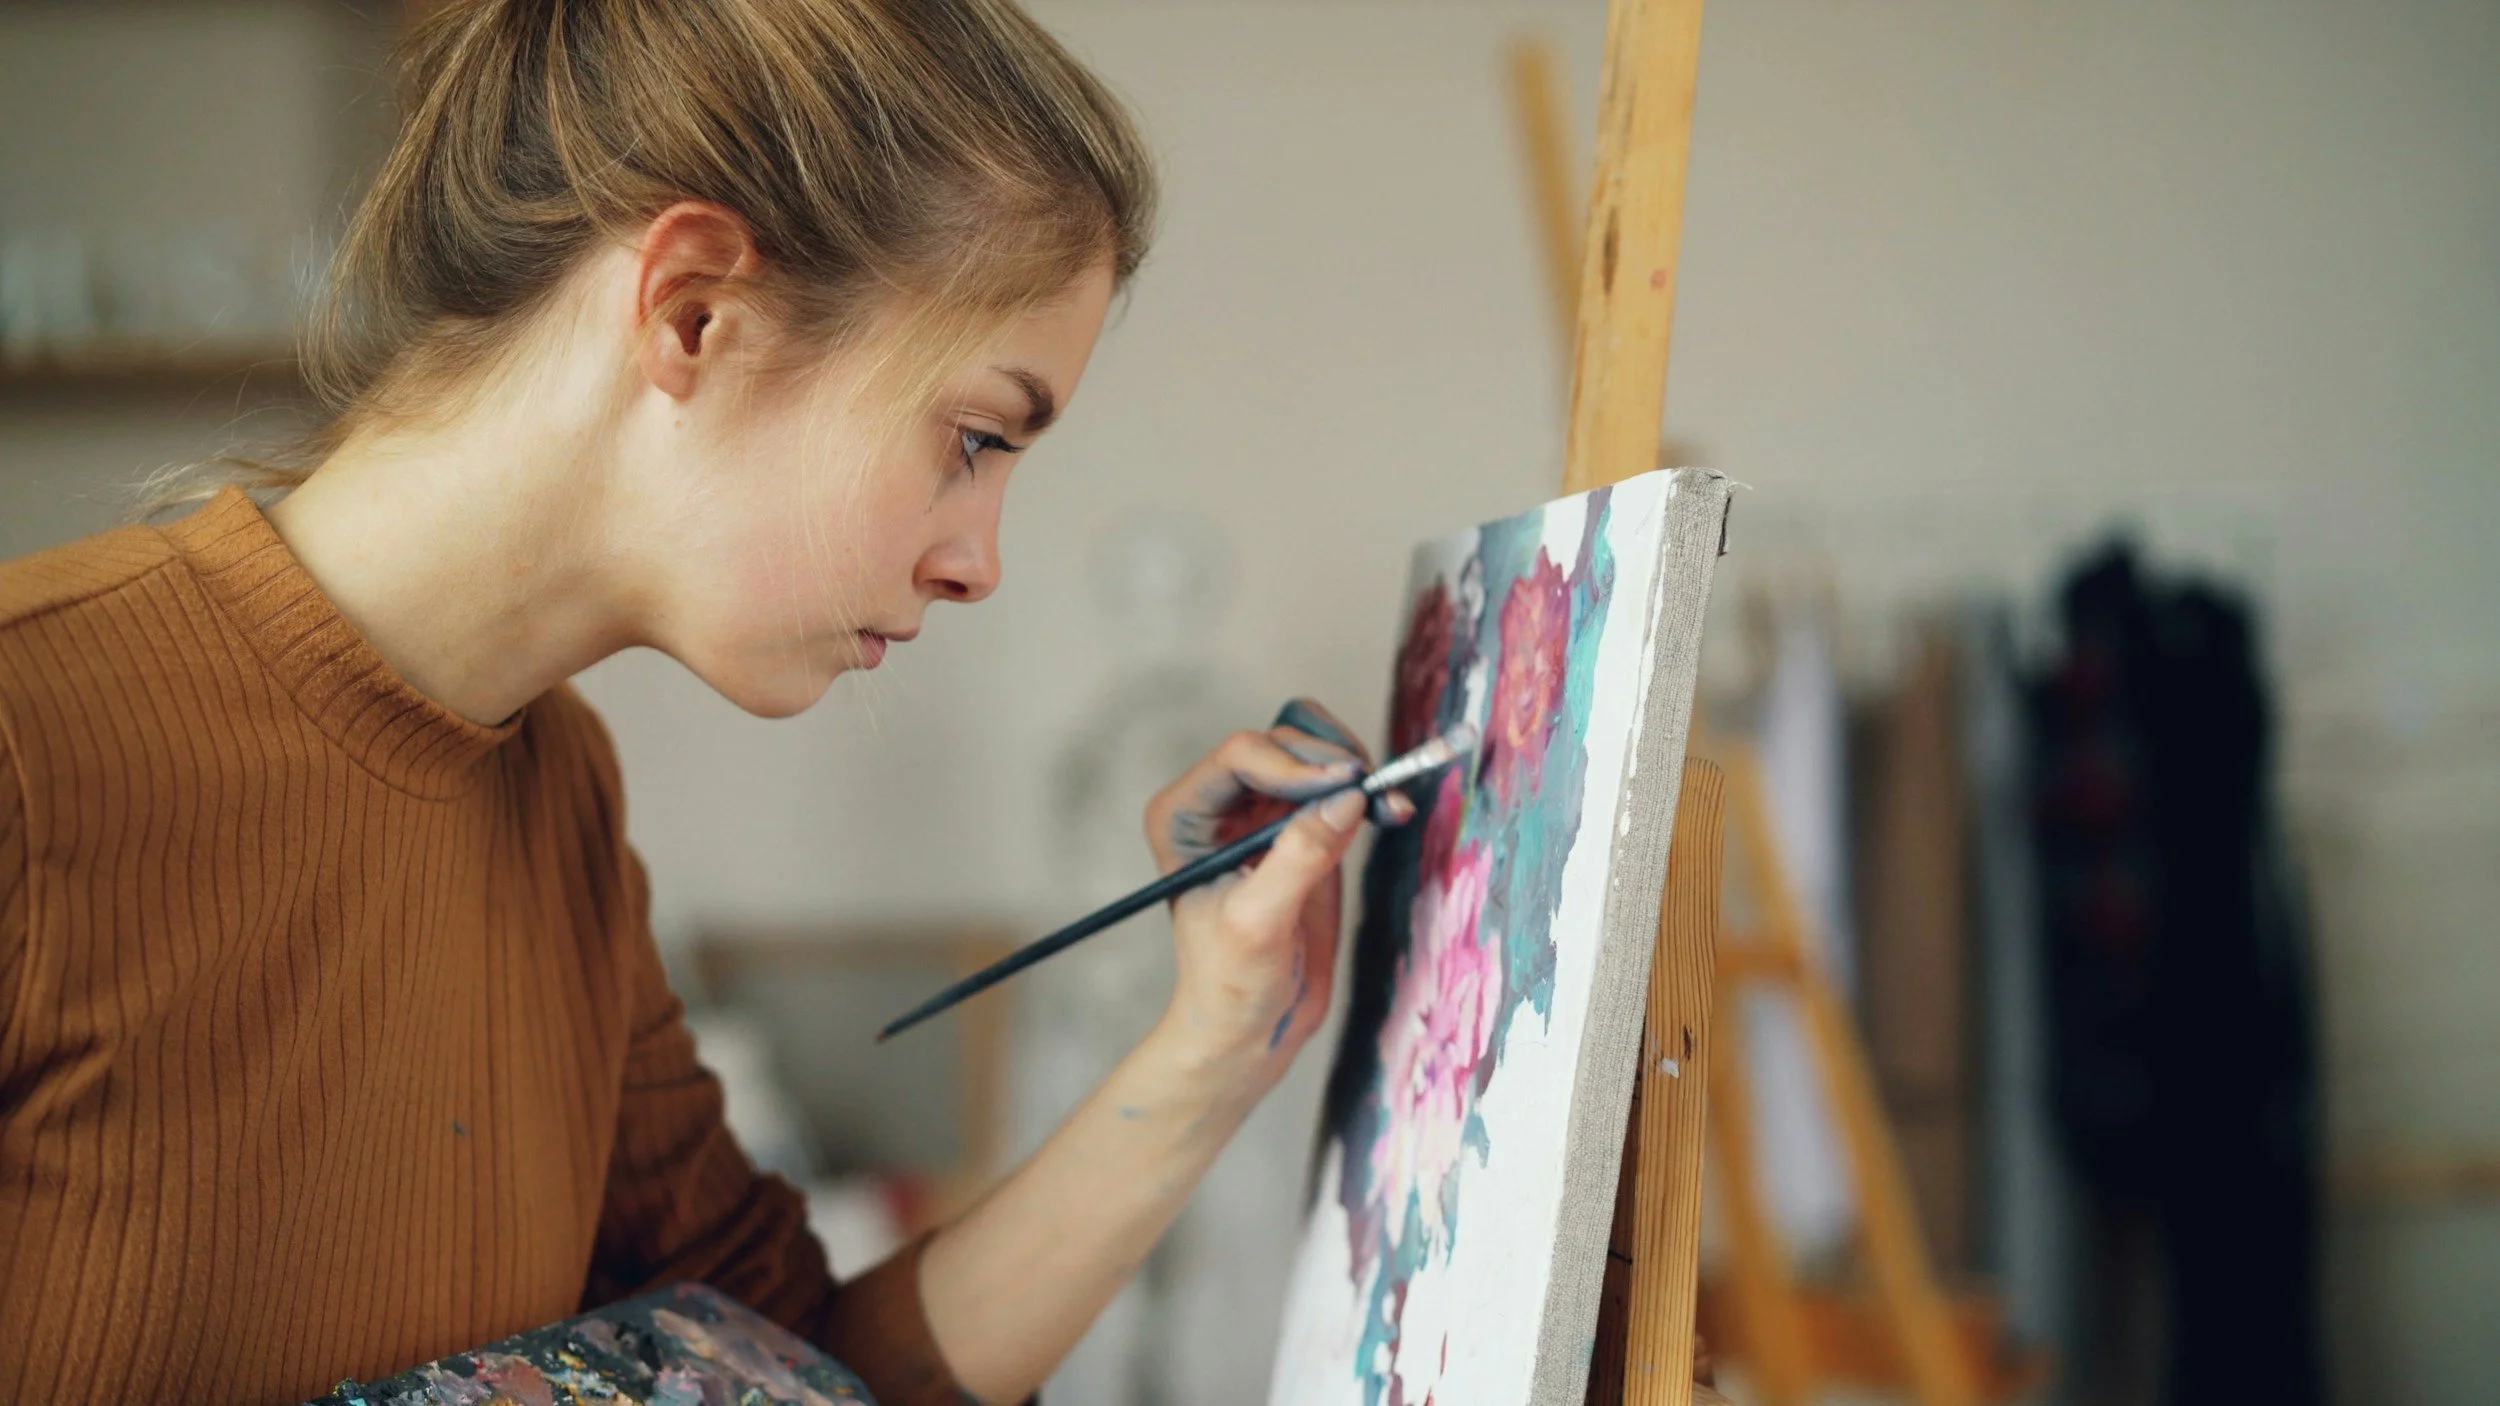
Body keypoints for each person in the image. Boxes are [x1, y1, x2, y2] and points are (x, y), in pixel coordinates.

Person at [0, 2, 1409, 1401]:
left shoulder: (554, 788)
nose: (978, 561)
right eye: (973, 437)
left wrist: (1218, 1042)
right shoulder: (31, 733)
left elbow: (792, 1361)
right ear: (695, 311)